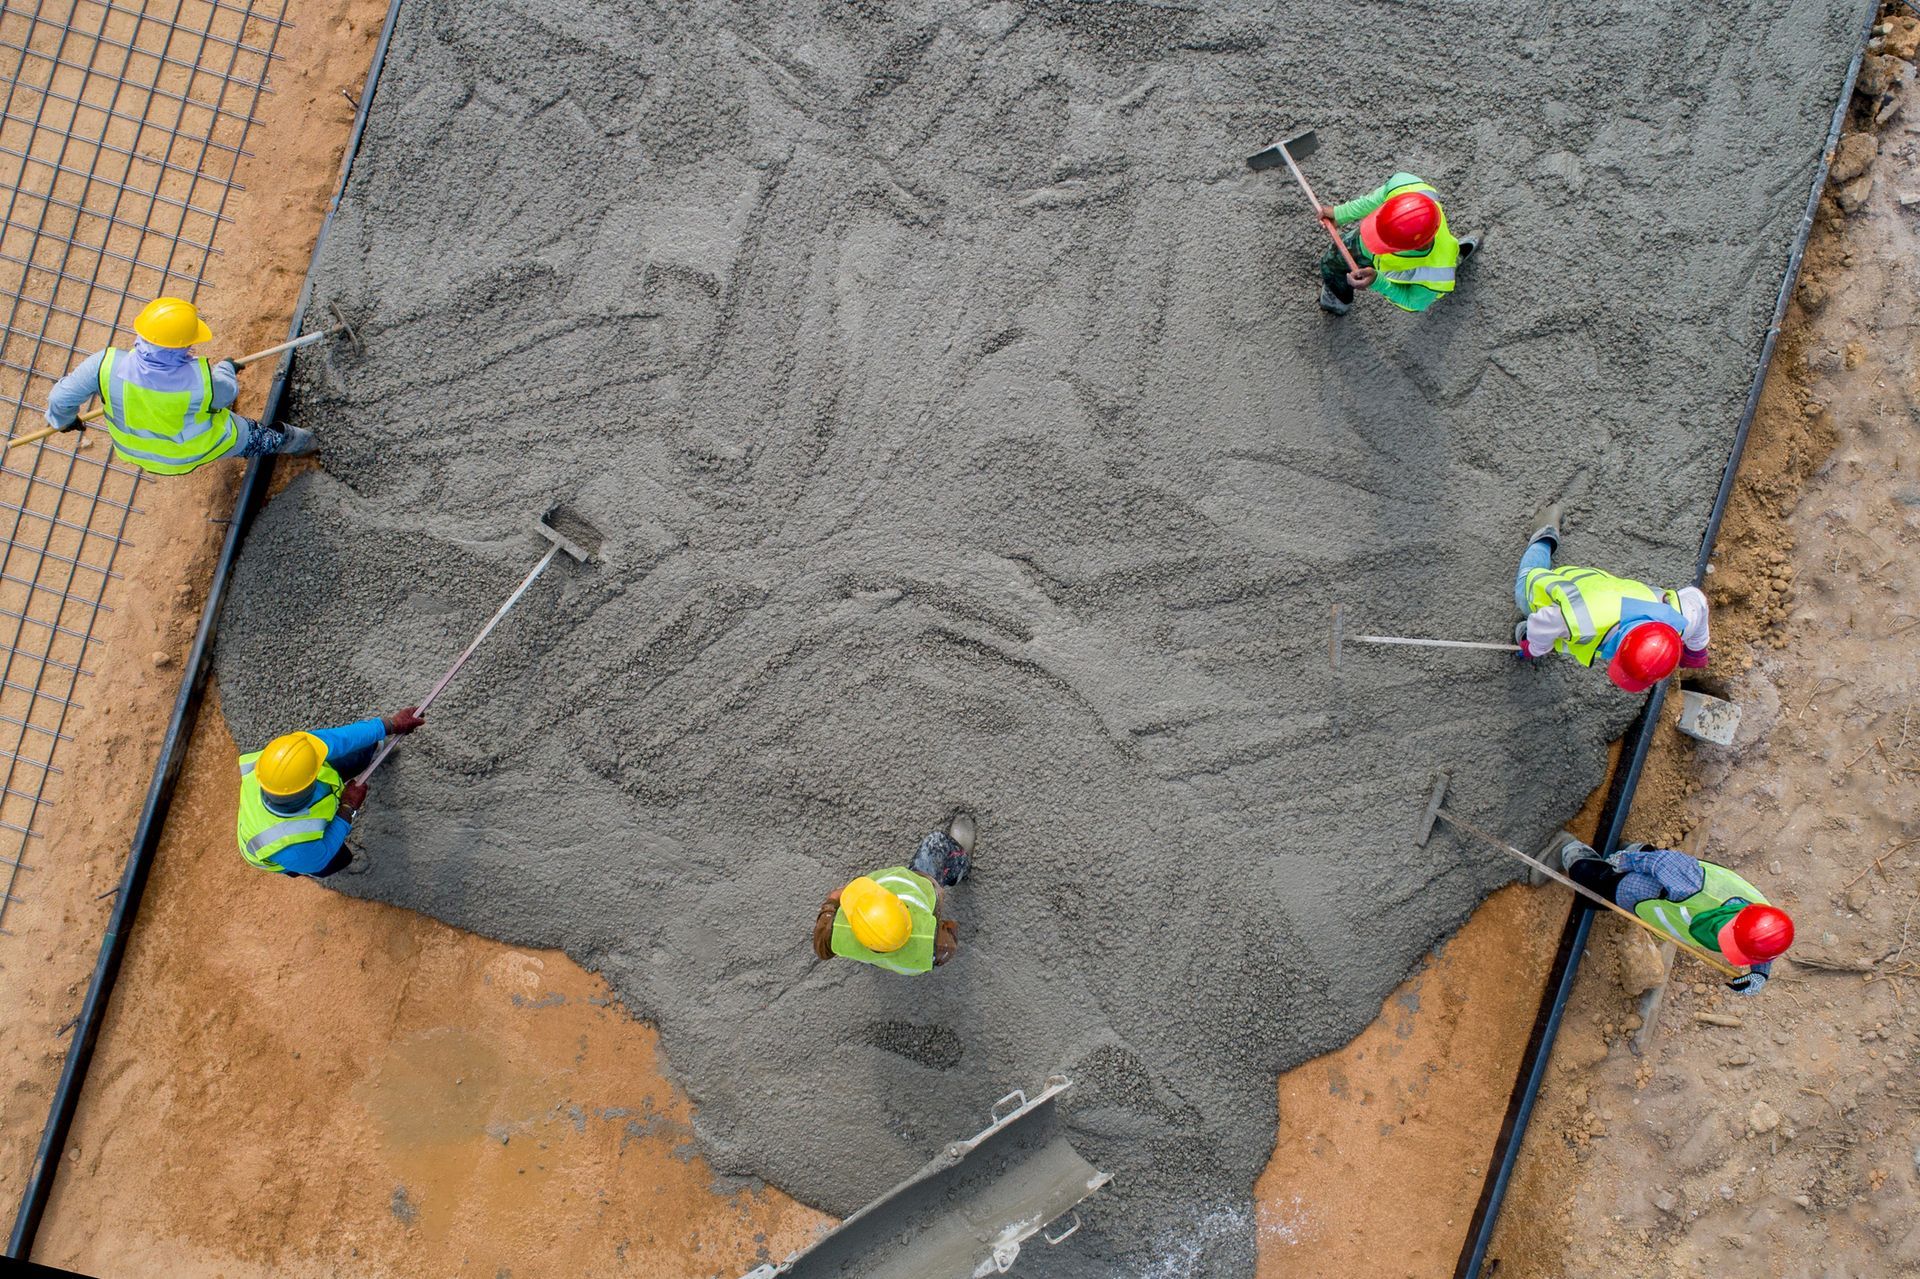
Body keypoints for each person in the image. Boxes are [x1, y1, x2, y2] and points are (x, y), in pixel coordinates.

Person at [42, 296, 315, 474]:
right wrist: (227, 368)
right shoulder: (200, 381)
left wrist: (64, 421)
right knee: (253, 437)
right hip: (189, 451)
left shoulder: (103, 364)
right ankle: (303, 442)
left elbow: (60, 399)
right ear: (185, 344)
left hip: (136, 453)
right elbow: (226, 393)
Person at [1558, 837, 1793, 996]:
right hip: (1644, 891)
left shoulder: (1761, 917)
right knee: (1596, 887)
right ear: (1735, 924)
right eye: (1732, 942)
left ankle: (1636, 851)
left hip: (1666, 894)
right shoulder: (1695, 888)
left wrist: (1760, 973)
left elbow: (1762, 943)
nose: (1730, 951)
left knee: (1653, 865)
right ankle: (1571, 850)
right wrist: (1624, 862)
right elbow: (1664, 863)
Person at [1514, 502, 1710, 692]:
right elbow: (1544, 621)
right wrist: (1535, 646)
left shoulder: (1679, 619)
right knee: (1528, 582)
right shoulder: (1582, 621)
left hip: (1602, 598)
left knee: (1567, 636)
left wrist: (1696, 649)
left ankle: (1536, 635)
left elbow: (1698, 600)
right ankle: (1545, 535)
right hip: (1562, 592)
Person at [235, 708, 425, 878]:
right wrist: (348, 808)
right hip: (300, 857)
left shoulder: (284, 756)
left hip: (299, 805)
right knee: (338, 860)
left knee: (351, 754)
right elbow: (323, 854)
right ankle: (335, 864)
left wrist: (389, 724)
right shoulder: (294, 849)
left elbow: (340, 738)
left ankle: (375, 752)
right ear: (306, 788)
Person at [812, 814, 976, 974]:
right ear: (902, 908)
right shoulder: (932, 941)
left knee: (878, 953)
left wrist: (832, 903)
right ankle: (960, 864)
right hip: (922, 886)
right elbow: (949, 939)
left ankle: (877, 955)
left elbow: (822, 947)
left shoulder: (834, 933)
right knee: (935, 844)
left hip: (877, 951)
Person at [1315, 172, 1477, 316]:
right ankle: (1456, 255)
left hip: (1427, 267)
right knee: (1333, 260)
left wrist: (1378, 282)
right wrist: (1340, 213)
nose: (1370, 240)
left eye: (1385, 242)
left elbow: (1412, 303)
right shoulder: (1405, 185)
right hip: (1438, 256)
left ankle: (1336, 302)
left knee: (1331, 264)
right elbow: (1373, 200)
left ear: (1413, 247)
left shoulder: (1437, 277)